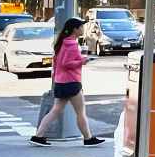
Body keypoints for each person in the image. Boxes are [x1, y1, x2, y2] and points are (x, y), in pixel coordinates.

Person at [31, 17, 104, 147]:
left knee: (56, 110)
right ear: (75, 29)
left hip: (61, 82)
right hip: (71, 82)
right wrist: (82, 61)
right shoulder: (72, 44)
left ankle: (38, 136)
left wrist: (81, 58)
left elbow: (62, 62)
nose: (83, 29)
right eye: (81, 27)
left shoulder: (63, 42)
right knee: (80, 112)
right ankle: (88, 138)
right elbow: (66, 63)